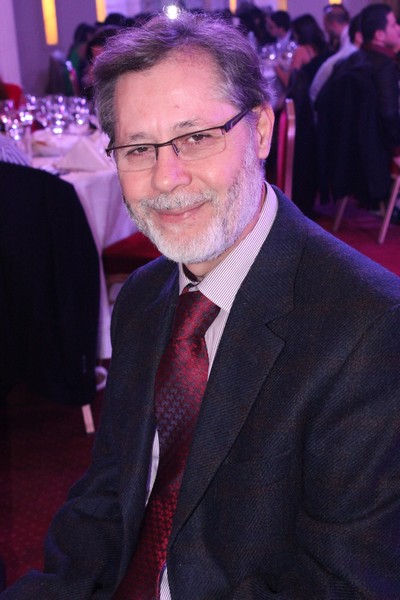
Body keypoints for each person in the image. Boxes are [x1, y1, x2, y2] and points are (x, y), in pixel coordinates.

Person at [1, 10, 400, 600]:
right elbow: (108, 493)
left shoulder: (370, 329)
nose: (166, 177)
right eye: (138, 148)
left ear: (259, 130)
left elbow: (345, 584)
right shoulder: (143, 297)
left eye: (196, 137)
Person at [309, 4, 358, 105]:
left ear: (334, 23)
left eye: (325, 25)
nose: (325, 29)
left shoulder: (350, 39)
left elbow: (339, 60)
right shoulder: (344, 38)